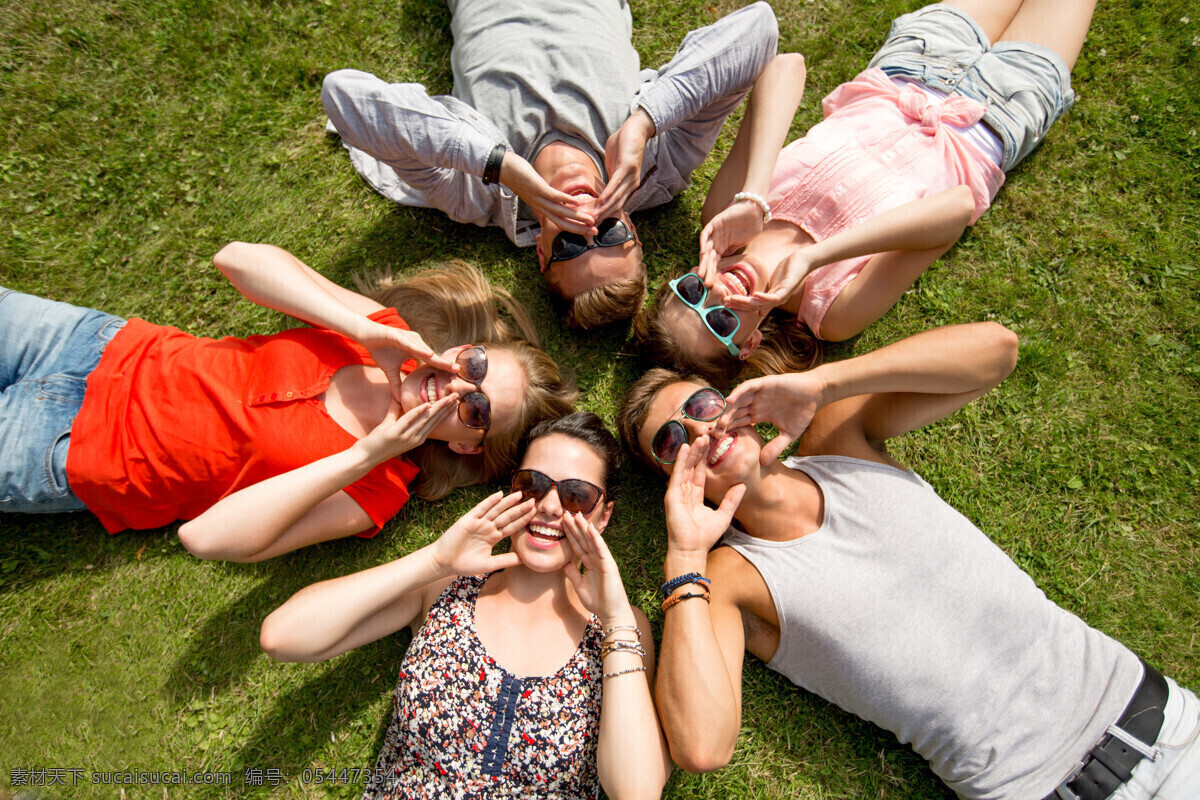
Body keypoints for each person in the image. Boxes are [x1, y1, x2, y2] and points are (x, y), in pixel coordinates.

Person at [616, 322, 1200, 799]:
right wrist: (686, 552)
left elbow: (997, 350)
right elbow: (700, 746)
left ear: (730, 399)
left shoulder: (839, 444)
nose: (698, 429)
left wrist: (822, 384)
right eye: (670, 442)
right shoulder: (730, 580)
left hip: (1164, 726)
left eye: (699, 403)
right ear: (672, 480)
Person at [0, 243, 575, 562]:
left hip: (72, 449)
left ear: (464, 444)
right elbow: (237, 261)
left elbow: (206, 539)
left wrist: (364, 456)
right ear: (460, 350)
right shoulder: (380, 330)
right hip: (94, 342)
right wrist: (359, 325)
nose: (455, 389)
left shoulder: (375, 489)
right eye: (473, 367)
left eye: (476, 410)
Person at [636, 0, 1095, 385]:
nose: (719, 294)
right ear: (749, 342)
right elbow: (956, 209)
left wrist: (755, 197)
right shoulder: (832, 311)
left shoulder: (726, 214)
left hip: (914, 61)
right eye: (720, 322)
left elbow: (784, 67)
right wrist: (814, 259)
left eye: (693, 290)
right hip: (995, 119)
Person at [260, 412, 671, 799]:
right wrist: (434, 560)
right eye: (533, 484)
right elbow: (283, 637)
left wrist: (616, 619)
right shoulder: (447, 586)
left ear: (603, 517)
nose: (548, 505)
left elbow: (637, 791)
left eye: (576, 495)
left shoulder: (620, 626)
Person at [321, 0, 778, 328]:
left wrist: (500, 165)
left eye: (571, 247)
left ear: (541, 252)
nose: (585, 221)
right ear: (633, 229)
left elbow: (344, 95)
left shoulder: (474, 194)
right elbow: (759, 28)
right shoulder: (657, 166)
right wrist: (644, 122)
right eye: (609, 234)